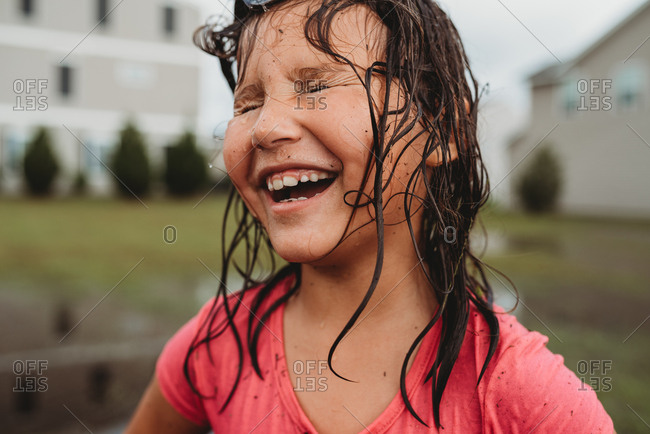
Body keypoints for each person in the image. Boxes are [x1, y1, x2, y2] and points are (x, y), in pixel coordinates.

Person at [127, 0, 614, 432]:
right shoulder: (215, 346)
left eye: (315, 86)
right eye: (248, 103)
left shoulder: (530, 403)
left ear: (442, 127)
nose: (264, 127)